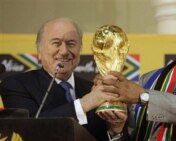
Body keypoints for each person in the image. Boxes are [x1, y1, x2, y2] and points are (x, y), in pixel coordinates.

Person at [0, 18, 128, 141]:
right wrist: (84, 103)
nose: (64, 51)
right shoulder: (16, 85)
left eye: (71, 43)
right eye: (56, 43)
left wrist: (115, 131)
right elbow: (28, 130)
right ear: (39, 50)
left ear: (80, 49)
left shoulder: (94, 90)